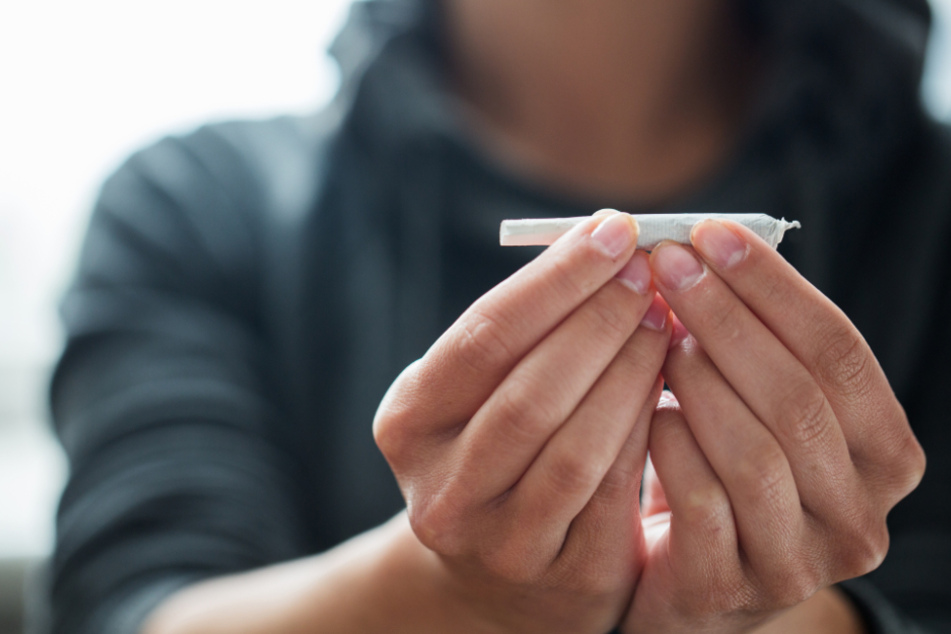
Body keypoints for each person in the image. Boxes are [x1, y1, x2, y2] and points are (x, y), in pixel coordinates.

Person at [44, 0, 950, 632]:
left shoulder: (932, 209)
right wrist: (463, 602)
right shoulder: (198, 202)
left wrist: (795, 618)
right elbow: (134, 606)